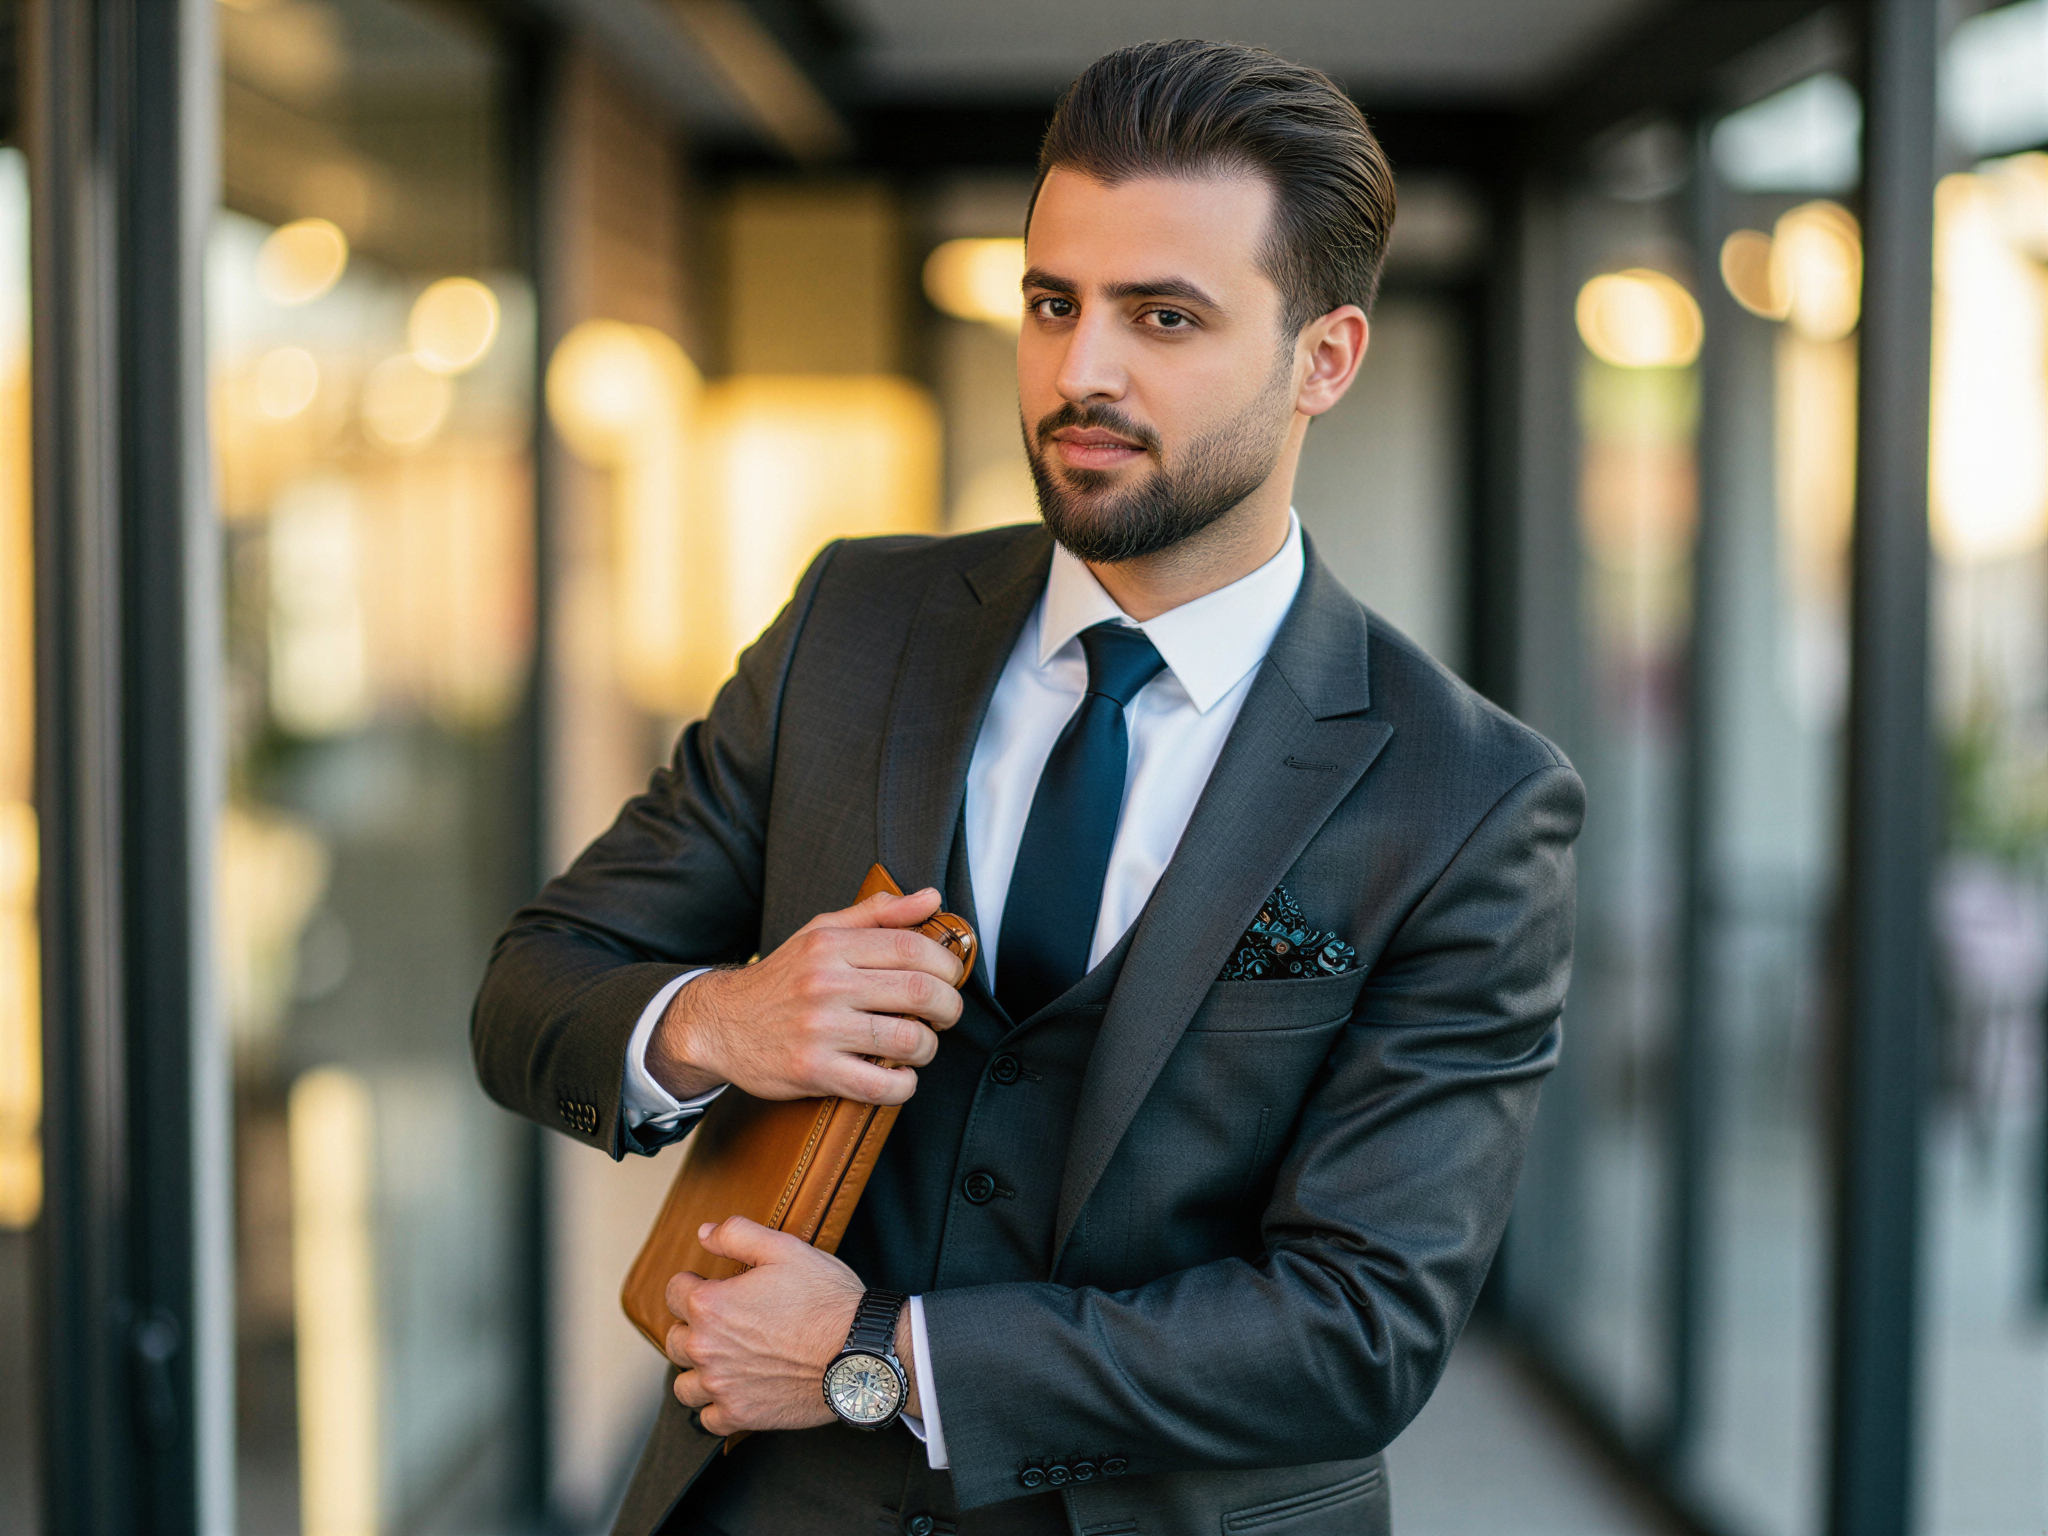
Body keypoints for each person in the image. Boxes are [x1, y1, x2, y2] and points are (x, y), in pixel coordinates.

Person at [473, 37, 1583, 1536]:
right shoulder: (852, 628)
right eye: (1052, 303)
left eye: (1164, 317)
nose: (1083, 371)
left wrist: (879, 1356)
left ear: (1324, 357)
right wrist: (726, 1019)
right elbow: (533, 987)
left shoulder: (1470, 799)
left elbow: (1357, 1328)